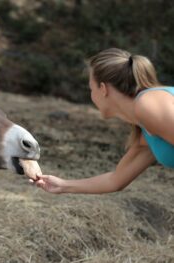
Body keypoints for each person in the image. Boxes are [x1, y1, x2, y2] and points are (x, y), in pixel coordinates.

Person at [32, 48, 174, 194]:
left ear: (103, 88)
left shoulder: (149, 105)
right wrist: (63, 185)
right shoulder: (146, 133)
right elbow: (115, 181)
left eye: (91, 89)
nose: (92, 96)